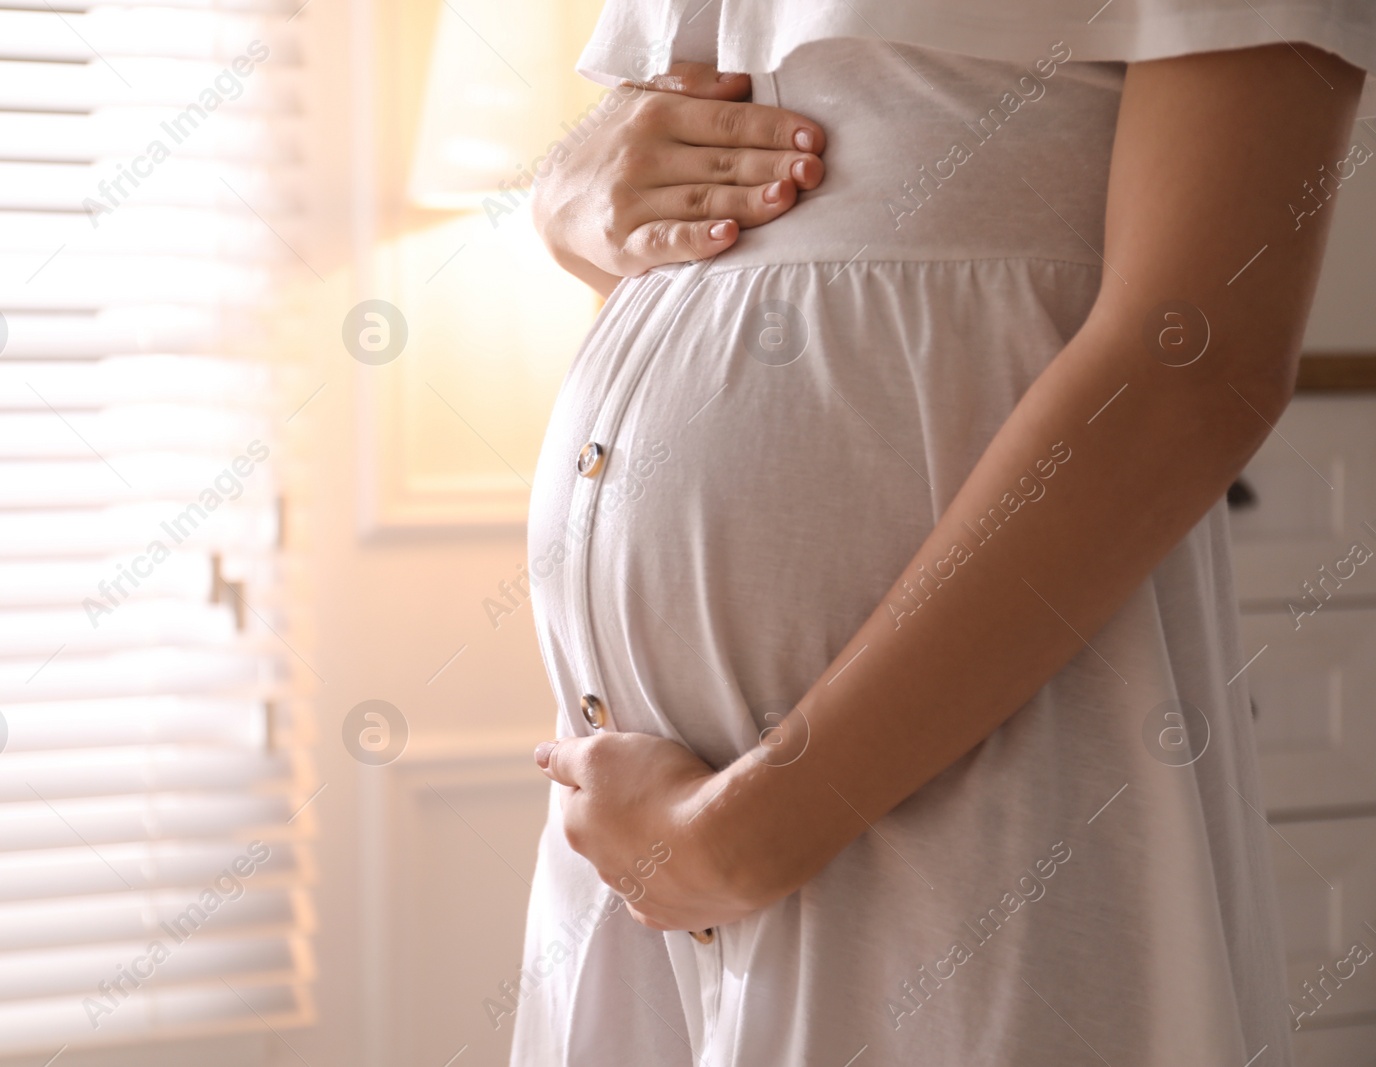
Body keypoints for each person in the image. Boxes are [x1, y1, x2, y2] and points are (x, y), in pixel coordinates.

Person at [509, 0, 1373, 1064]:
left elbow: (1195, 361)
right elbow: (668, 152)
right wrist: (564, 201)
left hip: (923, 777)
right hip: (640, 824)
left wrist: (751, 829)